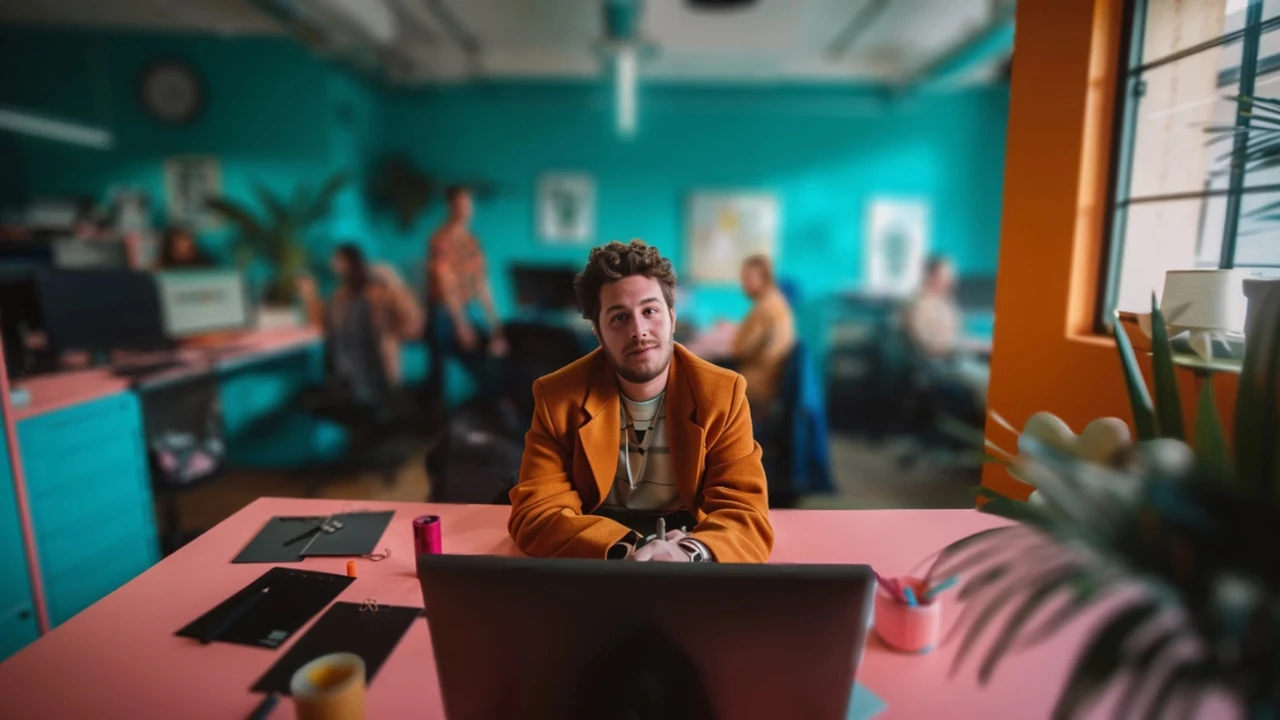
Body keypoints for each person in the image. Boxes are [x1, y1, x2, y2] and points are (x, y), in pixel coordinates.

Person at [507, 239, 773, 564]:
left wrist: (688, 552)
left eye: (650, 311)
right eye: (619, 318)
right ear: (598, 334)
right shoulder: (557, 396)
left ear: (672, 317)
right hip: (598, 548)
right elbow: (536, 513)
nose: (639, 330)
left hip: (688, 547)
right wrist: (627, 551)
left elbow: (746, 513)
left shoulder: (722, 393)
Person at [298, 244, 421, 407]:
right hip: (344, 375)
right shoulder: (341, 296)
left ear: (350, 262)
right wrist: (310, 295)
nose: (333, 264)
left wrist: (394, 282)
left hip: (377, 375)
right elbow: (324, 323)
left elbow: (413, 322)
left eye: (337, 260)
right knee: (307, 399)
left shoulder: (379, 294)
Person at [423, 186, 507, 408]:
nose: (465, 208)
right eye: (459, 203)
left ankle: (489, 410)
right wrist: (461, 325)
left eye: (468, 203)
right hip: (445, 312)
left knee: (495, 351)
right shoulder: (440, 240)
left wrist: (496, 325)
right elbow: (445, 286)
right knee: (473, 358)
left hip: (469, 308)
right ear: (450, 206)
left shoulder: (472, 242)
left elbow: (482, 285)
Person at [902, 255, 989, 405]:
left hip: (957, 358)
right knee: (988, 381)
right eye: (947, 275)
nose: (952, 280)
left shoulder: (945, 301)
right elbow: (929, 346)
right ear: (930, 276)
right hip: (941, 365)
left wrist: (976, 344)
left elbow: (958, 333)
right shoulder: (918, 305)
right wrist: (968, 345)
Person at [730, 255, 796, 415]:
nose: (743, 284)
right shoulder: (777, 301)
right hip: (771, 377)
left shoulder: (764, 308)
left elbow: (739, 350)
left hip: (759, 383)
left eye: (748, 278)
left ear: (764, 278)